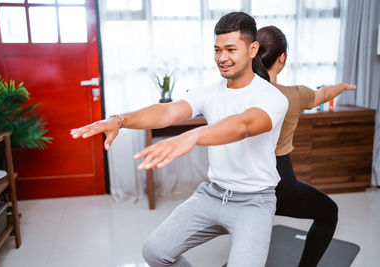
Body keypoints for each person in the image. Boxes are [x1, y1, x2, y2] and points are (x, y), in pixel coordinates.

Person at [71, 12, 288, 267]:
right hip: (212, 194)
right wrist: (120, 119)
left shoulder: (272, 98)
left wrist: (192, 136)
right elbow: (167, 111)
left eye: (231, 49)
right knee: (155, 251)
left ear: (252, 49)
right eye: (217, 50)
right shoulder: (208, 92)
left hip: (254, 201)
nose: (222, 58)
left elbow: (244, 125)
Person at [257, 25, 356, 267]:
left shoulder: (239, 93)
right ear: (282, 58)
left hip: (247, 181)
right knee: (329, 212)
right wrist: (342, 86)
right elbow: (322, 95)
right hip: (279, 183)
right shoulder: (294, 95)